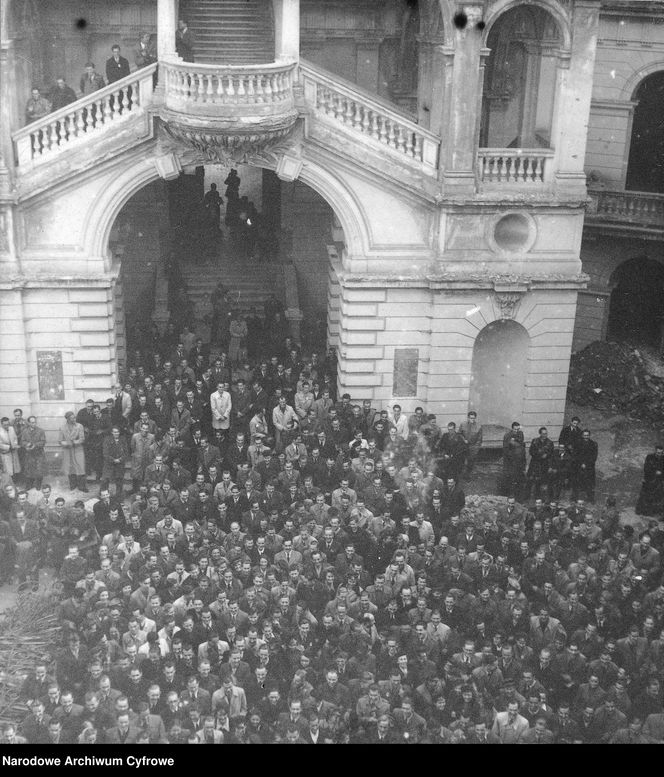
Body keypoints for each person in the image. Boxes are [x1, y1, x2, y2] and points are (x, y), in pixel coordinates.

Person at [58, 412, 86, 492]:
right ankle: (73, 485)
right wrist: (65, 443)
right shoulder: (62, 428)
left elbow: (82, 438)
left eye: (74, 417)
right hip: (67, 450)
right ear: (67, 419)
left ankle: (82, 486)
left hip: (78, 449)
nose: (74, 419)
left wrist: (74, 442)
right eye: (72, 418)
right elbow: (60, 440)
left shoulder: (79, 426)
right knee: (70, 467)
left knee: (81, 467)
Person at [19, 416, 46, 491]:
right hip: (29, 454)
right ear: (28, 423)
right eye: (32, 422)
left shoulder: (41, 431)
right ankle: (30, 485)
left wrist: (35, 445)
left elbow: (43, 441)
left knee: (39, 469)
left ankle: (38, 485)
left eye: (34, 422)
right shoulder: (25, 431)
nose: (33, 424)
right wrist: (26, 445)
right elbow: (22, 441)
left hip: (38, 453)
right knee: (29, 470)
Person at [636, 444, 664, 516]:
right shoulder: (649, 457)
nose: (659, 454)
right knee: (644, 496)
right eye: (658, 453)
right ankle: (641, 511)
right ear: (655, 451)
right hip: (648, 480)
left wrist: (661, 473)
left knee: (656, 497)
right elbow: (646, 468)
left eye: (661, 453)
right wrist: (655, 472)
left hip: (658, 482)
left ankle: (652, 511)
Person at [0, 416, 21, 484]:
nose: (7, 426)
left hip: (14, 451)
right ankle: (9, 483)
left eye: (8, 424)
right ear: (1, 424)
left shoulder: (11, 428)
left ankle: (15, 482)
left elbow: (15, 438)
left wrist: (14, 445)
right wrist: (8, 447)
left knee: (15, 468)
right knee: (8, 469)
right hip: (5, 453)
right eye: (5, 425)